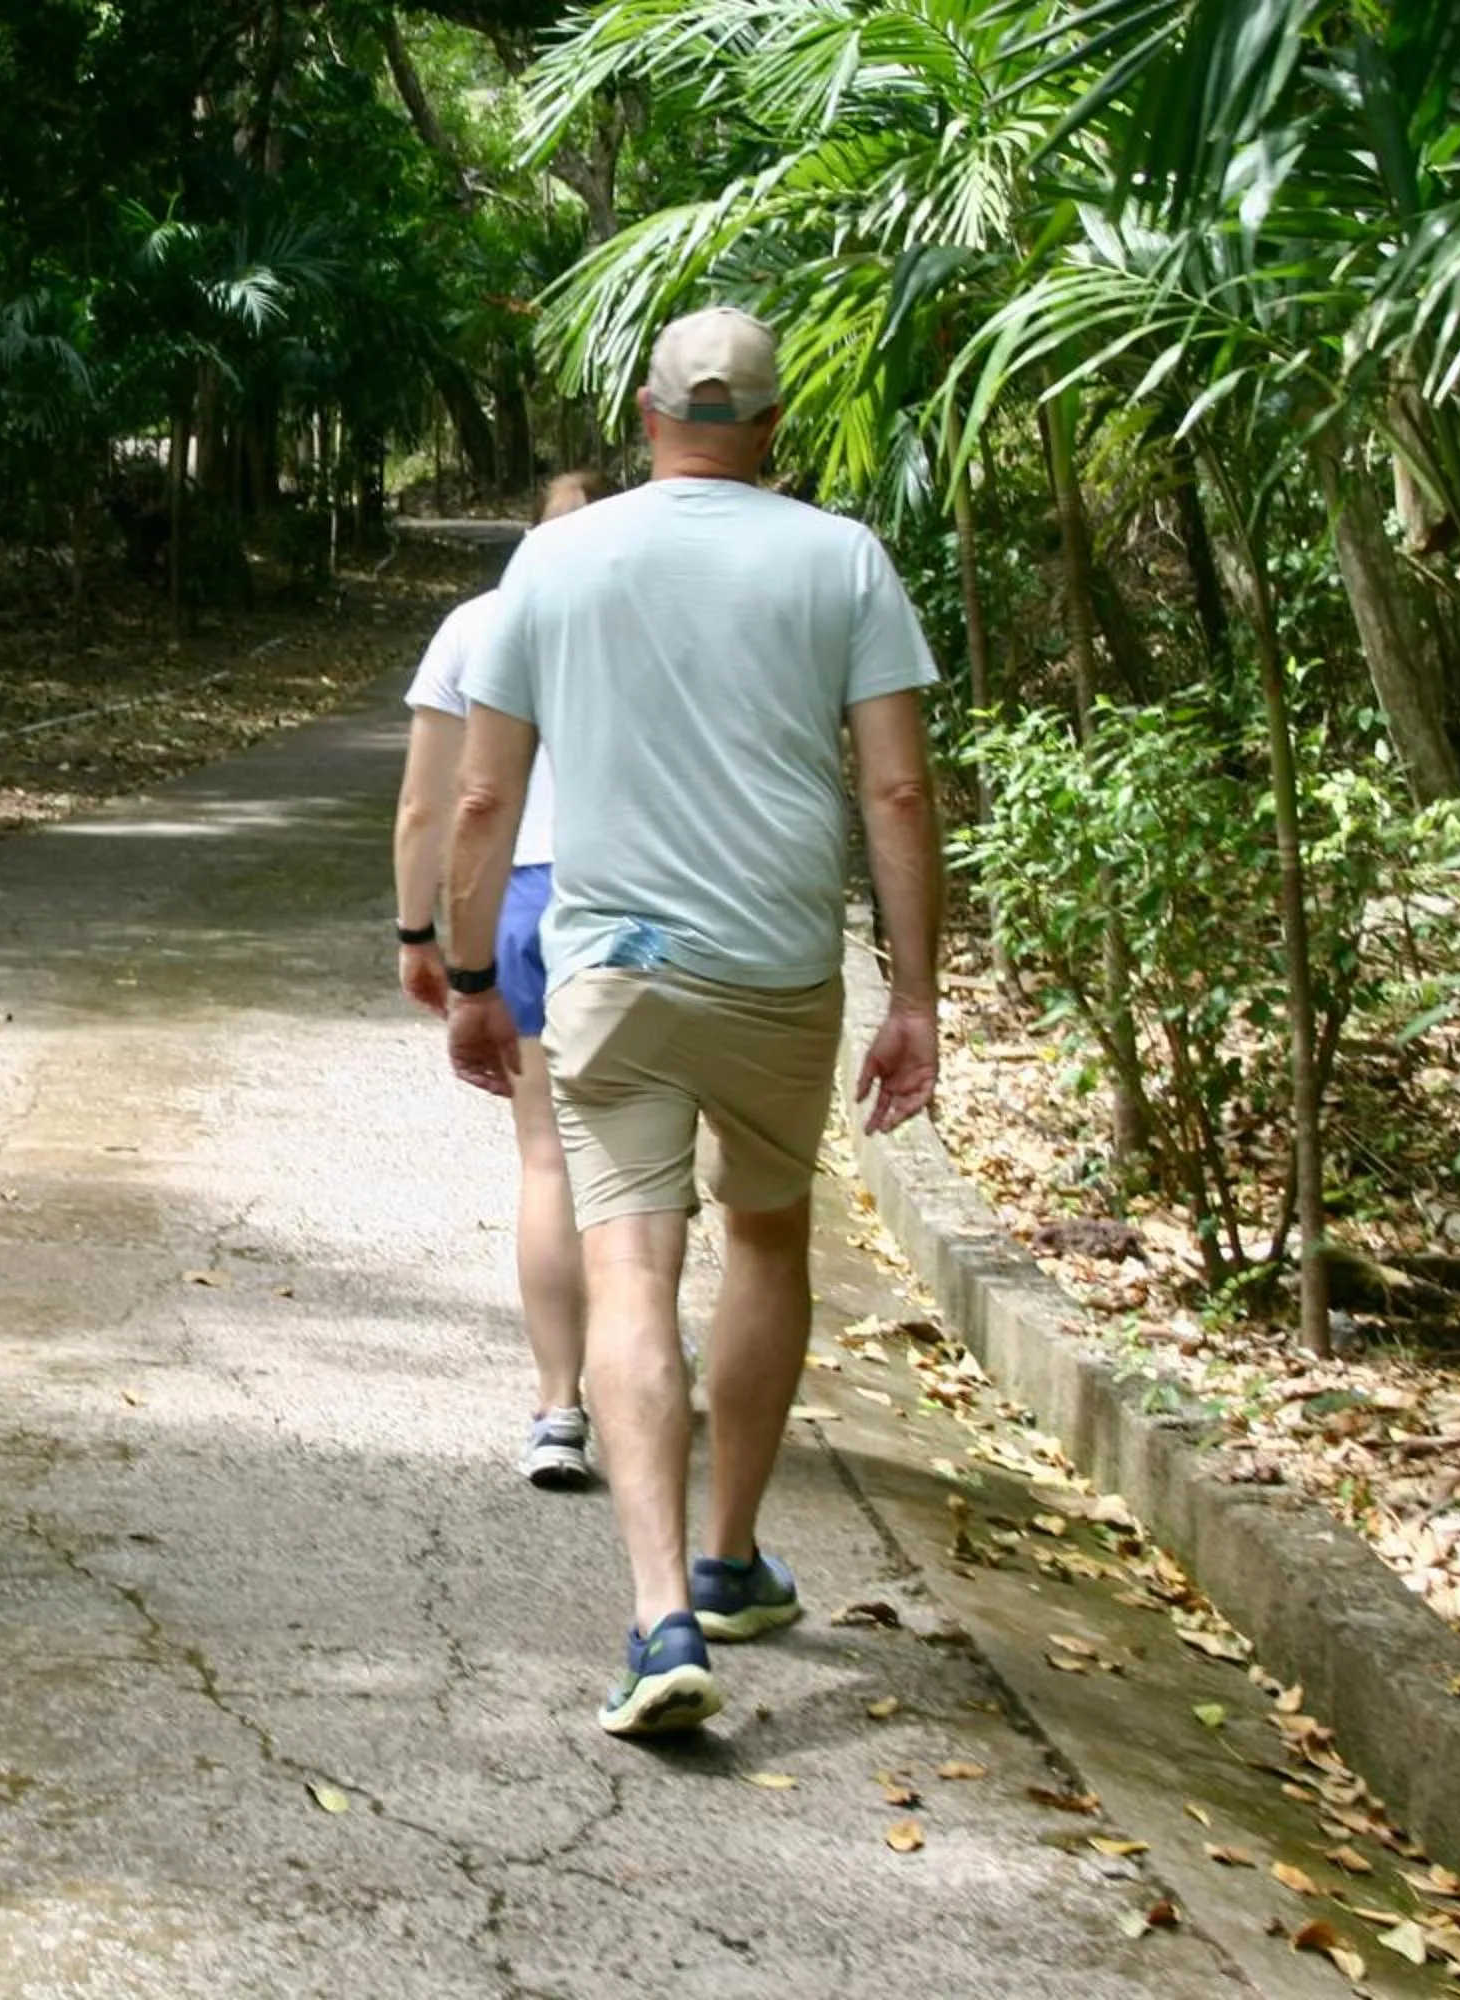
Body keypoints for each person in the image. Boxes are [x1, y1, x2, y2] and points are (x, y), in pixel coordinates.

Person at [442, 307, 943, 1737]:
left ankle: (661, 1612)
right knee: (771, 1231)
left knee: (632, 1268)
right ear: (773, 427)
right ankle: (729, 1557)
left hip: (609, 970)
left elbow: (483, 797)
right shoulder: (841, 559)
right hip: (779, 966)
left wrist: (473, 976)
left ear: (646, 416)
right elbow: (897, 794)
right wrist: (913, 997)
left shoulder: (559, 556)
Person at [392, 472, 602, 1488]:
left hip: (522, 892)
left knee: (550, 1160)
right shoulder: (650, 610)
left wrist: (419, 929)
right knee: (650, 1156)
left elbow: (433, 804)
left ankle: (560, 1403)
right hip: (643, 895)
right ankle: (642, 1347)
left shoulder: (479, 622)